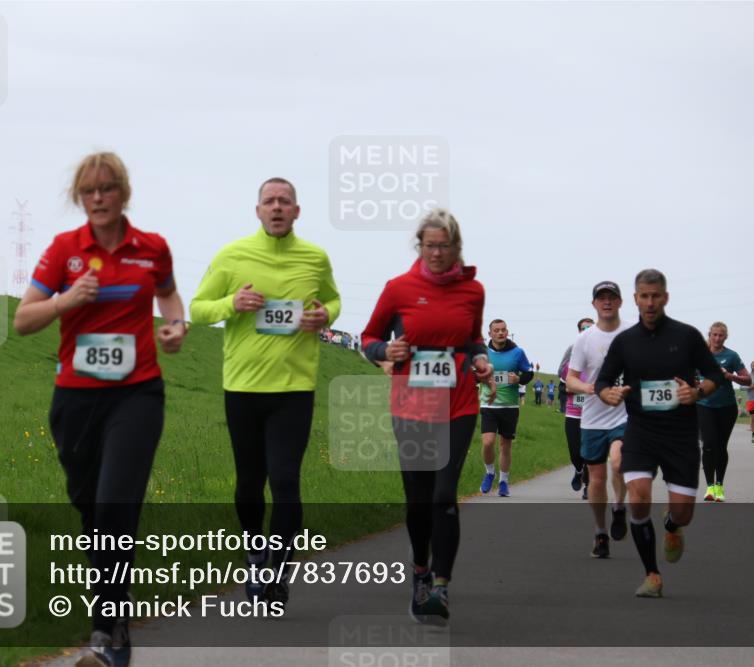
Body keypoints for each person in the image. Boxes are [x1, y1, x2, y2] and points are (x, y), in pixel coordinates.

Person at [13, 152, 187, 667]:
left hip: (137, 394)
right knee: (90, 510)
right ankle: (109, 614)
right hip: (76, 398)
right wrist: (66, 302)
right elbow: (23, 320)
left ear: (123, 193)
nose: (98, 198)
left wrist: (177, 327)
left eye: (107, 188)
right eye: (89, 191)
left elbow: (171, 299)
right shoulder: (65, 251)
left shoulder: (151, 249)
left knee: (115, 505)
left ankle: (109, 631)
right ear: (78, 197)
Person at [189, 177, 341, 608]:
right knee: (249, 485)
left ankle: (277, 566)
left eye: (285, 202)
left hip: (295, 388)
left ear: (297, 211)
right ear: (257, 210)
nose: (277, 208)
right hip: (243, 388)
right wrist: (230, 305)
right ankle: (257, 552)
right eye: (269, 201)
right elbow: (198, 309)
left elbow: (333, 300)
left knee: (287, 480)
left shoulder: (315, 258)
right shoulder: (232, 256)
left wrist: (322, 316)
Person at [361, 208, 490, 626]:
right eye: (429, 245)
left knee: (443, 494)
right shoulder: (398, 288)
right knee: (418, 498)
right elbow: (369, 338)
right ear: (420, 246)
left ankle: (440, 585)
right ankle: (420, 568)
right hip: (412, 406)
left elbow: (472, 340)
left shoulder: (474, 291)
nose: (436, 253)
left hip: (458, 403)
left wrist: (482, 358)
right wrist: (385, 351)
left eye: (444, 246)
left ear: (457, 247)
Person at [597, 269, 723, 598]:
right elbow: (603, 380)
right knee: (638, 497)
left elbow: (714, 375)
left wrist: (697, 392)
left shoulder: (687, 336)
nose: (650, 302)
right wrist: (606, 393)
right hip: (640, 432)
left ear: (665, 297)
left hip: (681, 435)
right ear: (635, 299)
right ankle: (652, 575)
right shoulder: (625, 342)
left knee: (683, 512)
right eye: (644, 296)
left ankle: (671, 526)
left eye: (656, 296)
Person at [565, 282, 633, 558]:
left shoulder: (631, 333)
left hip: (624, 414)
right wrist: (590, 388)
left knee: (618, 463)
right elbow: (570, 380)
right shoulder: (584, 340)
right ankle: (600, 532)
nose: (606, 302)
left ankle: (618, 506)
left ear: (620, 302)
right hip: (592, 417)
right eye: (601, 298)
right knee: (596, 477)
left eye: (611, 298)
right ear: (594, 304)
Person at [478, 319, 534, 497]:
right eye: (497, 330)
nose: (500, 333)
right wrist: (484, 378)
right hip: (488, 404)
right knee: (487, 442)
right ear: (490, 334)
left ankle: (503, 481)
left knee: (505, 445)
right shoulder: (483, 353)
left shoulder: (518, 352)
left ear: (507, 332)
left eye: (503, 330)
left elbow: (528, 373)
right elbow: (473, 375)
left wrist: (518, 379)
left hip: (510, 405)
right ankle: (489, 473)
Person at [697, 322, 751, 502]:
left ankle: (719, 485)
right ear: (710, 335)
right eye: (714, 335)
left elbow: (747, 380)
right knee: (708, 444)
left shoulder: (732, 356)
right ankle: (710, 488)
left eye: (721, 335)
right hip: (704, 405)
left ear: (725, 337)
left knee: (720, 447)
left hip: (726, 407)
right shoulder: (700, 354)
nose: (717, 338)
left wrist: (730, 376)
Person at [558, 317, 594, 495]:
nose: (587, 330)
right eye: (583, 328)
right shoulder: (572, 352)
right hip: (573, 411)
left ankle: (589, 485)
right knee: (575, 451)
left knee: (589, 451)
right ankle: (578, 470)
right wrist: (573, 387)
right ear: (579, 331)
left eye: (590, 327)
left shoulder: (602, 353)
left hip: (594, 413)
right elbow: (563, 381)